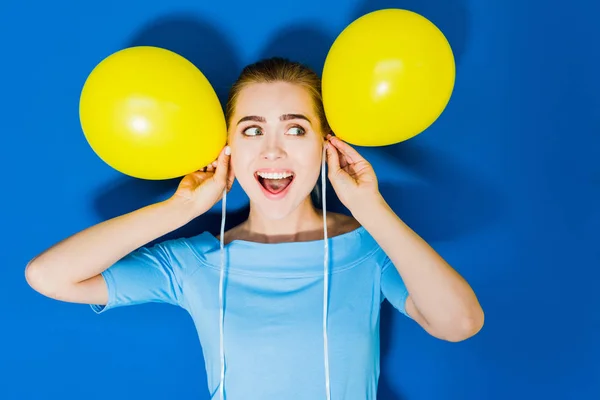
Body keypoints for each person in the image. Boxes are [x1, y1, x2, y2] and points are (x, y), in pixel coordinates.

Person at [25, 57, 484, 400]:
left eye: (296, 130)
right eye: (250, 130)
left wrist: (372, 208)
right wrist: (180, 207)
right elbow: (48, 276)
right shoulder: (193, 264)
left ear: (327, 145)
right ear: (227, 147)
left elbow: (460, 323)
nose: (272, 151)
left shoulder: (369, 248)